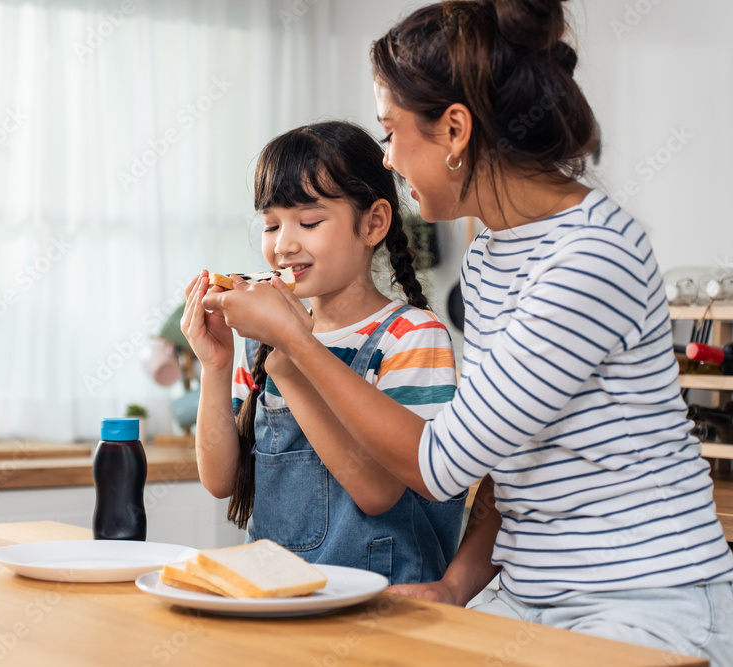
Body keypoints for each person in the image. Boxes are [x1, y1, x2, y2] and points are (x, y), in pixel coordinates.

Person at [198, 0, 733, 662]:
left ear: (454, 130)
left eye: (391, 132)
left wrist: (296, 342)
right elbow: (509, 464)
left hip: (642, 598)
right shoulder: (491, 255)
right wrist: (455, 585)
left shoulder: (593, 257)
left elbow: (439, 463)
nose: (387, 158)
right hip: (525, 593)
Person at [181, 120, 465, 585]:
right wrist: (215, 365)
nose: (283, 245)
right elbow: (221, 481)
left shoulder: (412, 336)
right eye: (271, 224)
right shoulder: (259, 337)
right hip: (281, 597)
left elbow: (377, 492)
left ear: (372, 223)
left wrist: (292, 364)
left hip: (387, 609)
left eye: (309, 222)